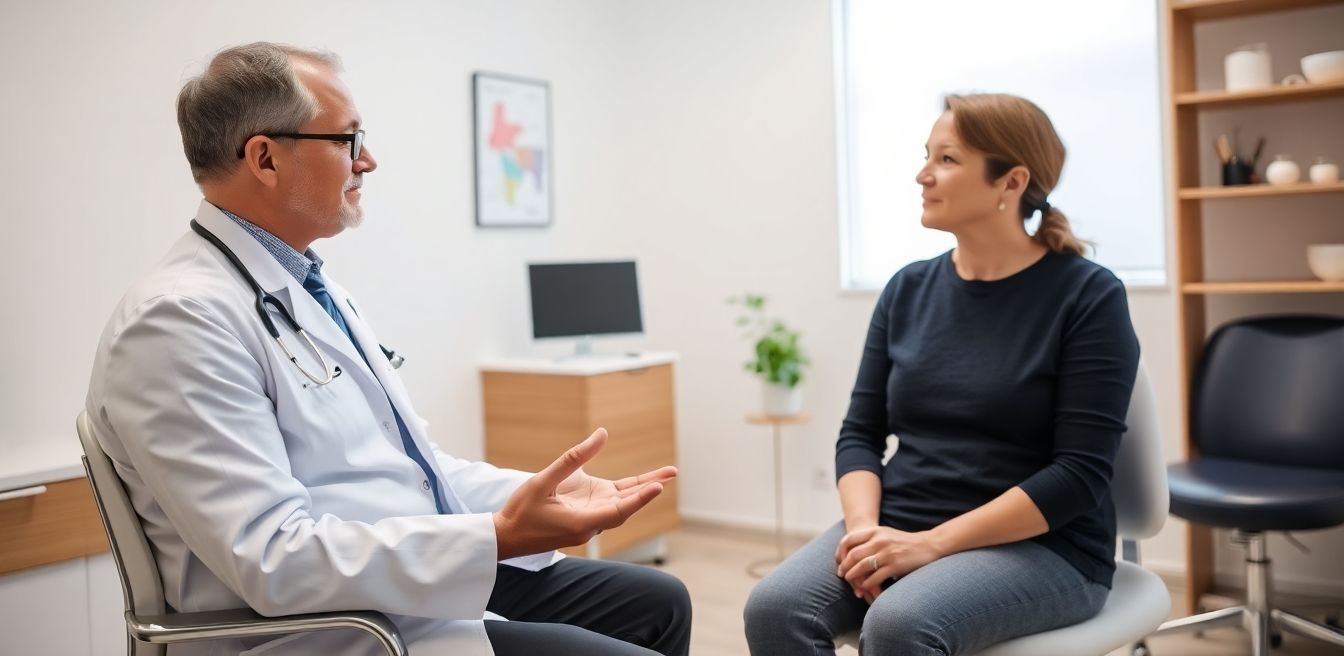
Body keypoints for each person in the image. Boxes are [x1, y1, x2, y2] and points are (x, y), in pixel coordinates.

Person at [85, 43, 691, 656]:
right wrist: (498, 537)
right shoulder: (178, 321)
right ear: (264, 158)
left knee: (659, 603)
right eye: (347, 141)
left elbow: (414, 467)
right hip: (327, 627)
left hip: (397, 580)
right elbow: (272, 559)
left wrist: (535, 494)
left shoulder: (311, 291)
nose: (367, 161)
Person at [744, 93, 1140, 655]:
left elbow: (1078, 475)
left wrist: (931, 545)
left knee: (900, 623)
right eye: (926, 156)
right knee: (775, 608)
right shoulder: (907, 289)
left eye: (947, 160)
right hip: (903, 520)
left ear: (1011, 182)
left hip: (1046, 545)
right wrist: (864, 533)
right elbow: (859, 434)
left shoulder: (1088, 295)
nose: (922, 175)